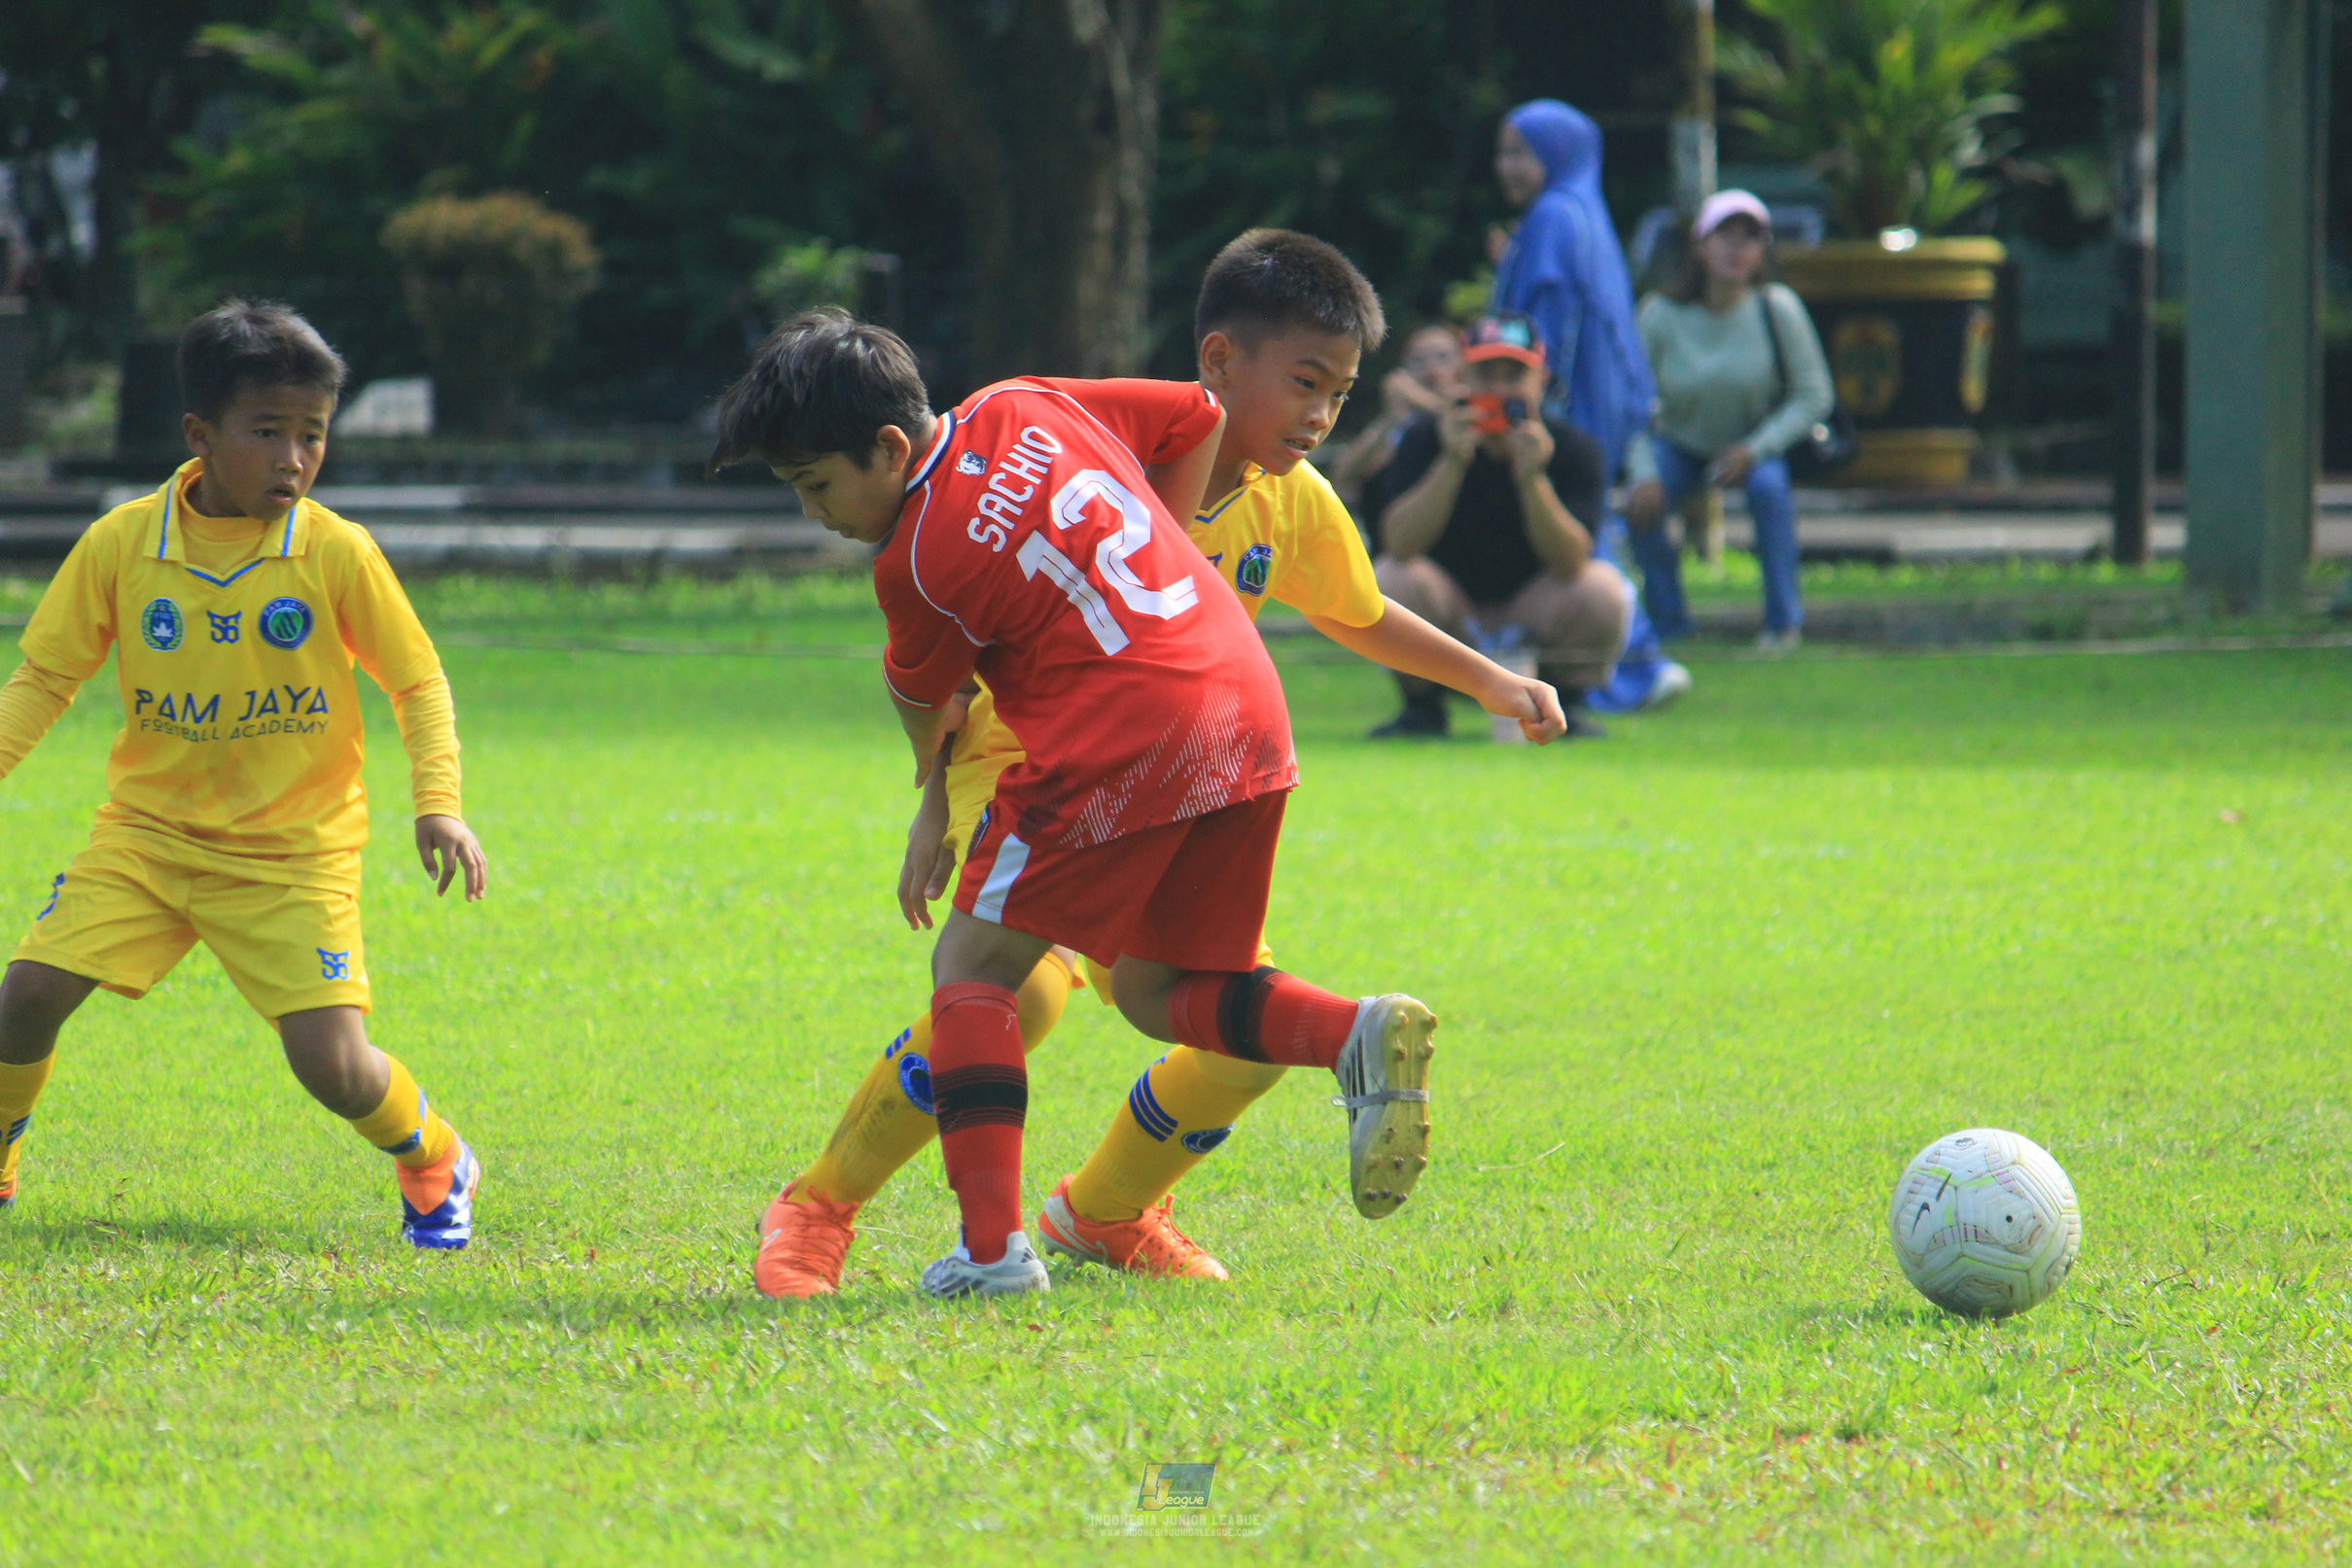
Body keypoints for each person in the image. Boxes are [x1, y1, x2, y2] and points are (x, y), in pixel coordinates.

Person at [744, 233, 1571, 1296]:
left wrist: (1491, 682)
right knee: (1021, 993)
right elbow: (938, 682)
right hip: (1034, 756)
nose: (1321, 415)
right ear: (1220, 365)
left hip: (1165, 750)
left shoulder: (1292, 498)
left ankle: (1102, 1213)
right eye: (1304, 384)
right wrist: (931, 806)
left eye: (1339, 391)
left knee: (1223, 1023)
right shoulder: (1089, 439)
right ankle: (820, 1206)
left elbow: (1357, 611)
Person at [0, 301, 489, 1246]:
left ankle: (433, 1152)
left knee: (334, 1068)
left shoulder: (333, 550)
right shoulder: (122, 544)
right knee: (22, 998)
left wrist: (439, 805)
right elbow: (46, 676)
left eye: (312, 435)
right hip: (147, 836)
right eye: (268, 432)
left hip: (290, 853)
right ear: (200, 435)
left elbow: (418, 680)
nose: (294, 458)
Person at [1492, 98, 1691, 714]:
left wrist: (1527, 404)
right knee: (1583, 533)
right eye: (1503, 153)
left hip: (1563, 415)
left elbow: (1548, 325)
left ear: (1557, 154)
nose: (1507, 167)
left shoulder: (1554, 217)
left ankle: (1635, 665)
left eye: (1522, 152)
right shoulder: (1585, 211)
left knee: (1577, 536)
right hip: (1592, 413)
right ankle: (1627, 661)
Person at [1366, 313, 1632, 738]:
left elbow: (1571, 562)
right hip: (1451, 613)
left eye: (1514, 376)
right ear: (1463, 377)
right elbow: (1399, 544)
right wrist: (1452, 461)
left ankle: (1567, 705)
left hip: (1535, 609)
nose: (1498, 389)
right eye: (1486, 374)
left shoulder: (1572, 448)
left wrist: (1532, 478)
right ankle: (1422, 707)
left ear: (1540, 380)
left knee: (1600, 587)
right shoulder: (1425, 439)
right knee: (1392, 578)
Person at [1625, 190, 1832, 653]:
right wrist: (1642, 473)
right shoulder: (1659, 314)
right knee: (1641, 507)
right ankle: (1669, 624)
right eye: (1726, 236)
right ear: (1700, 245)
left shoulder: (1777, 308)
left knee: (1769, 491)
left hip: (1754, 443)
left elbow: (1813, 395)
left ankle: (1783, 625)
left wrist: (1755, 449)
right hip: (1679, 442)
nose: (1737, 249)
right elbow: (1632, 406)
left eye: (1751, 238)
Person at [1318, 322, 1462, 508]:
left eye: (1442, 358)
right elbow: (1343, 472)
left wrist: (1417, 398)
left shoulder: (1465, 408)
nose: (1431, 368)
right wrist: (1389, 420)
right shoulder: (1400, 422)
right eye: (1419, 360)